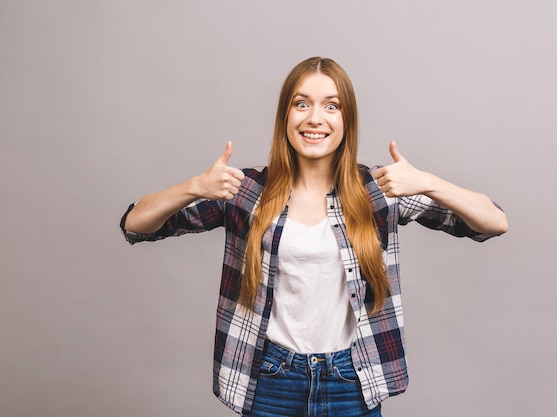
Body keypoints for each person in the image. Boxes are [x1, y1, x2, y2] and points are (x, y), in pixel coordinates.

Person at [120, 56, 508, 417]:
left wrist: (427, 182)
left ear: (346, 119)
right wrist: (194, 186)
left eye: (331, 105)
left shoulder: (378, 191)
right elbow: (136, 225)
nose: (315, 118)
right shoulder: (245, 192)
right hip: (270, 379)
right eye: (302, 103)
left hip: (351, 381)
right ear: (285, 116)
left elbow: (491, 222)